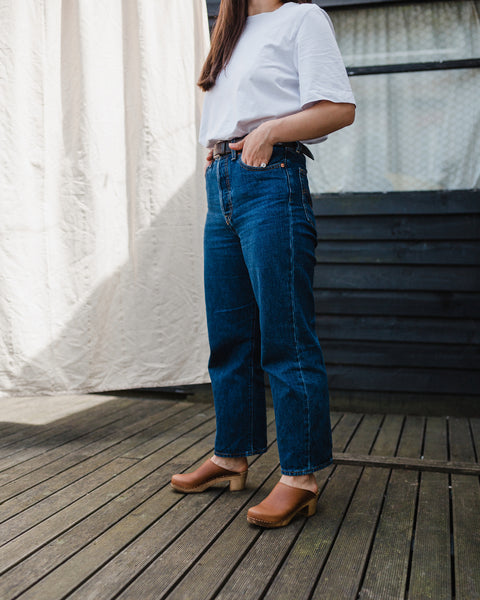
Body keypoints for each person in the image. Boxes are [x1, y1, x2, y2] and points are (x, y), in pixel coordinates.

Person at [171, 0, 355, 528]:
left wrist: (269, 131)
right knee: (229, 333)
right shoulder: (230, 29)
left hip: (273, 182)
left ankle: (300, 475)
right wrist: (218, 146)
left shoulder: (304, 18)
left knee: (285, 335)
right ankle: (231, 455)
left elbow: (339, 107)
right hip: (221, 185)